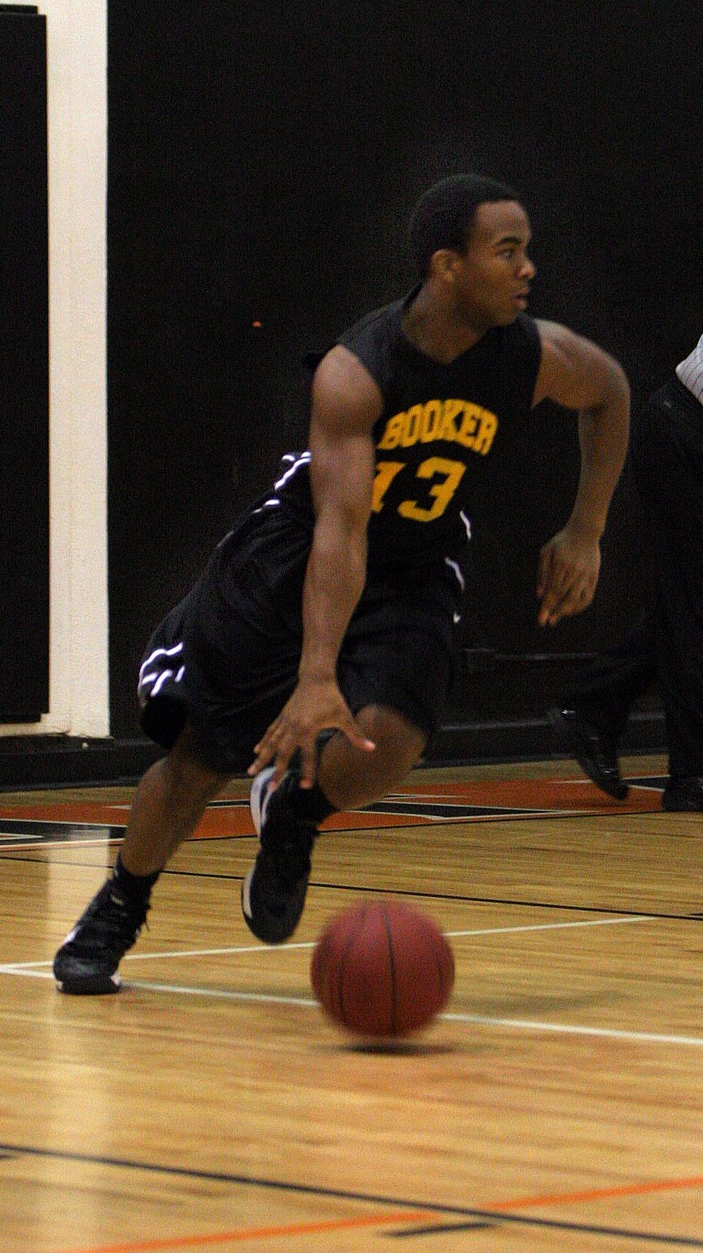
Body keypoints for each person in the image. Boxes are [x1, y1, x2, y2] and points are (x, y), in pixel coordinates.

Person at [53, 173, 630, 994]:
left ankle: (293, 813)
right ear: (447, 266)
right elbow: (341, 530)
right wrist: (316, 674)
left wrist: (587, 529)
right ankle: (119, 905)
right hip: (297, 555)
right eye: (508, 251)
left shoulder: (535, 356)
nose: (528, 268)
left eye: (527, 250)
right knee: (202, 758)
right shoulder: (358, 371)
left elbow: (610, 393)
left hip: (416, 562)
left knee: (391, 738)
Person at [549, 235, 703, 812]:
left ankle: (593, 706)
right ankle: (697, 774)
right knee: (700, 619)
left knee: (694, 615)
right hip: (697, 443)